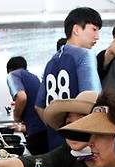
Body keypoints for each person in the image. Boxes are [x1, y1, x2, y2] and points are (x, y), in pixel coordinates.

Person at [0, 90, 98, 167]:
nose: (72, 129)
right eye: (69, 123)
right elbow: (34, 164)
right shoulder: (69, 153)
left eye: (81, 122)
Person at [35, 7, 103, 150]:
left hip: (55, 142)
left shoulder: (51, 62)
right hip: (81, 144)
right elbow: (93, 100)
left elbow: (39, 106)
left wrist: (57, 126)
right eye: (94, 29)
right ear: (77, 29)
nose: (97, 36)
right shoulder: (85, 55)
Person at [6, 56, 48, 155]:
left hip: (35, 131)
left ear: (9, 69)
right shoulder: (34, 77)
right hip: (44, 128)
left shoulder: (12, 75)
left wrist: (16, 117)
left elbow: (21, 97)